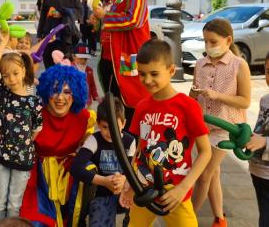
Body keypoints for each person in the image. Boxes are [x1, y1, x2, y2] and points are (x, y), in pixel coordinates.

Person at [120, 40, 211, 227]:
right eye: (142, 74)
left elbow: (206, 152)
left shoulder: (188, 106)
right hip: (143, 188)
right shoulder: (142, 107)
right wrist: (130, 182)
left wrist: (184, 187)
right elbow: (140, 147)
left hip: (176, 193)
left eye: (154, 74)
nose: (147, 80)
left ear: (171, 70)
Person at [15, 64, 97, 226]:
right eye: (54, 90)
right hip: (38, 176)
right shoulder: (34, 114)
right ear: (46, 92)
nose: (60, 97)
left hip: (69, 174)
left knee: (89, 167)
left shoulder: (84, 118)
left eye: (67, 92)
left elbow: (96, 143)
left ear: (75, 94)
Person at [190, 18, 251, 227]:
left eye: (213, 42)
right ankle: (219, 218)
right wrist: (193, 94)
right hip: (203, 126)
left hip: (226, 128)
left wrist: (217, 95)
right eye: (205, 42)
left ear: (228, 40)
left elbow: (244, 101)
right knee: (213, 173)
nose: (208, 47)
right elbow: (193, 94)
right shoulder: (200, 63)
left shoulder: (239, 65)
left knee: (203, 175)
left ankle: (187, 219)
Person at [90, 0, 150, 130]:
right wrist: (97, 21)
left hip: (128, 58)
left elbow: (134, 20)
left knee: (133, 100)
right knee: (114, 104)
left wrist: (104, 17)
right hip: (110, 60)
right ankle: (118, 141)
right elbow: (108, 27)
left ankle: (137, 140)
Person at [0, 30, 43, 219]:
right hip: (2, 156)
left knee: (14, 203)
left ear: (24, 72)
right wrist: (3, 44)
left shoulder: (33, 101)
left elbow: (37, 127)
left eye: (15, 73)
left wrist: (25, 143)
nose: (10, 78)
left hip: (23, 159)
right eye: (6, 76)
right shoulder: (2, 95)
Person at [71, 97, 134, 227]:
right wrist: (104, 181)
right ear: (98, 125)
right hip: (100, 194)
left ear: (124, 123)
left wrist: (123, 179)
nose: (110, 133)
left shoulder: (129, 141)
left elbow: (132, 168)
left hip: (124, 191)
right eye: (105, 127)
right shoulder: (95, 139)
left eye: (115, 127)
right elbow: (75, 167)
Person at [37, 0, 82, 68]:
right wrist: (40, 34)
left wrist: (63, 13)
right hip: (49, 36)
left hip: (65, 37)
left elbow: (80, 12)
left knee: (63, 67)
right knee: (48, 65)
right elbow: (43, 15)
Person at [246, 51, 269, 227]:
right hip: (258, 170)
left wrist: (265, 142)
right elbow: (259, 129)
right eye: (268, 71)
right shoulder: (265, 100)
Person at [73, 42, 99, 108]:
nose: (83, 61)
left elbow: (92, 85)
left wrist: (96, 97)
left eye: (85, 58)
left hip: (87, 102)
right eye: (81, 58)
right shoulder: (70, 68)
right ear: (73, 56)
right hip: (74, 102)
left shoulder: (89, 70)